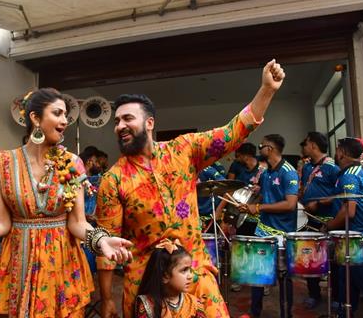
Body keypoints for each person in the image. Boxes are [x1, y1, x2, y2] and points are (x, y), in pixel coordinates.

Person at [95, 59, 285, 317]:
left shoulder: (184, 150)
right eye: (116, 121)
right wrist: (106, 298)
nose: (119, 126)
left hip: (195, 277)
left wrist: (267, 90)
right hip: (146, 288)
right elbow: (107, 245)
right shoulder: (113, 179)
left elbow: (232, 133)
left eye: (127, 118)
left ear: (150, 123)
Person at [0, 88, 132, 318]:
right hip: (18, 265)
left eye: (65, 115)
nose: (64, 120)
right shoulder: (2, 164)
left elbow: (77, 223)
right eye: (57, 113)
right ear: (35, 118)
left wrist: (100, 240)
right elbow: (2, 224)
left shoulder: (72, 163)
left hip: (62, 264)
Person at [240, 134, 299, 318]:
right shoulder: (266, 173)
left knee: (283, 277)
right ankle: (255, 312)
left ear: (270, 149)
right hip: (262, 230)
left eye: (262, 146)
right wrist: (253, 195)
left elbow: (290, 204)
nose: (259, 149)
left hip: (282, 233)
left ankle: (285, 313)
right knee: (257, 274)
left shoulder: (288, 171)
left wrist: (258, 207)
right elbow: (266, 197)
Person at [324, 137, 363, 318]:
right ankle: (344, 313)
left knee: (356, 281)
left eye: (337, 149)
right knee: (346, 282)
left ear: (343, 153)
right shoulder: (360, 171)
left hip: (359, 240)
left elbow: (349, 210)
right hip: (356, 239)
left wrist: (328, 226)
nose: (336, 153)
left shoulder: (349, 175)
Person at [299, 132, 340, 309]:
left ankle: (337, 297)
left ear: (314, 145)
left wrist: (320, 202)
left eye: (306, 144)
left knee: (333, 262)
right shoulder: (307, 167)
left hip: (328, 222)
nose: (304, 147)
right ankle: (314, 294)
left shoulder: (333, 168)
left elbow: (341, 194)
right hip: (309, 221)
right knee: (309, 260)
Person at [134, 238, 206, 318]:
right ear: (165, 276)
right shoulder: (147, 305)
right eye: (184, 270)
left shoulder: (194, 304)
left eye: (190, 270)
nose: (190, 276)